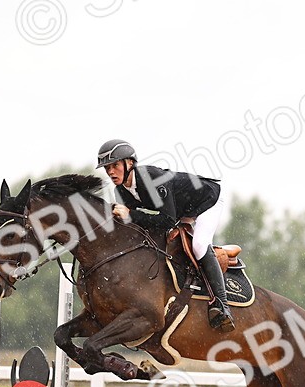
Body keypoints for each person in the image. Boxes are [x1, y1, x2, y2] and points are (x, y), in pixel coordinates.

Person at [96, 139, 234, 332]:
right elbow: (132, 227)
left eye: (115, 165)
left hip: (207, 201)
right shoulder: (121, 190)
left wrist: (131, 215)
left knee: (199, 245)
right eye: (107, 168)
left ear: (129, 163)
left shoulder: (150, 178)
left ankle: (222, 305)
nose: (110, 172)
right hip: (181, 210)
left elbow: (166, 220)